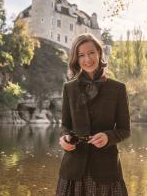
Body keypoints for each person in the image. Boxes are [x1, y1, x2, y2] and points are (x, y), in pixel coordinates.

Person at [56, 33, 130, 196]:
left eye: (91, 53)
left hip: (106, 169)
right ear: (76, 59)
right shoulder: (69, 88)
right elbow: (65, 125)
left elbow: (125, 129)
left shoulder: (118, 88)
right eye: (81, 55)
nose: (87, 59)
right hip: (73, 168)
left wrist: (108, 136)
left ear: (99, 53)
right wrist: (64, 138)